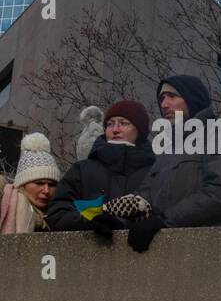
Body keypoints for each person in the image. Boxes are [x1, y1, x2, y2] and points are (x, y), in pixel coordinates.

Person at [123, 75, 221, 252]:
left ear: (193, 98)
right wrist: (113, 217)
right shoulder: (169, 149)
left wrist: (165, 221)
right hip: (169, 251)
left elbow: (219, 192)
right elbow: (144, 196)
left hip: (212, 251)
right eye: (162, 98)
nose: (164, 105)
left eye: (172, 96)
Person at [46, 100, 155, 234]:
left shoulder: (155, 171)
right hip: (89, 251)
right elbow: (57, 213)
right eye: (110, 124)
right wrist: (88, 222)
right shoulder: (81, 170)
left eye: (123, 123)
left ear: (140, 130)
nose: (115, 129)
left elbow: (167, 212)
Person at [1, 133, 60, 233]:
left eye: (51, 184)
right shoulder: (4, 203)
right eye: (39, 183)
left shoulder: (61, 215)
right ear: (22, 184)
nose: (46, 190)